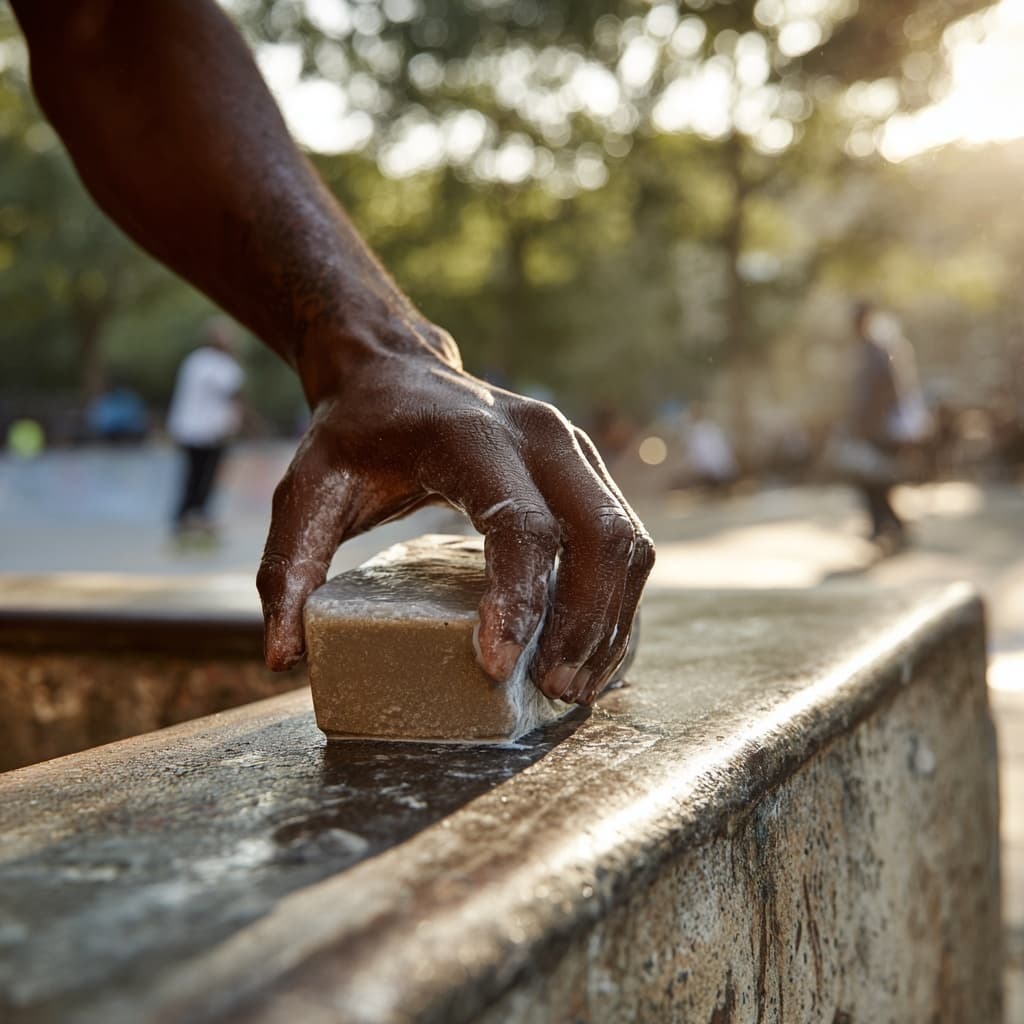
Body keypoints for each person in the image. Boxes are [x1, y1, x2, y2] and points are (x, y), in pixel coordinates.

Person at [8, 0, 653, 707]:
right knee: (195, 469)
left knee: (199, 471)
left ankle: (191, 519)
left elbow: (106, 28)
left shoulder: (210, 365)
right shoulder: (208, 367)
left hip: (211, 429)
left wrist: (373, 351)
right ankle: (188, 518)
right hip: (201, 432)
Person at [846, 301, 928, 549]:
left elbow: (887, 390)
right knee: (873, 480)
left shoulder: (877, 351)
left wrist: (872, 421)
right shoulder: (866, 350)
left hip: (880, 428)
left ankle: (888, 526)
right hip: (873, 427)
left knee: (875, 479)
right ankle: (886, 526)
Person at [166, 319, 244, 538]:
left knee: (192, 475)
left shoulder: (193, 361)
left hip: (187, 429)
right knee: (205, 476)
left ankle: (186, 517)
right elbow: (234, 394)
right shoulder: (223, 365)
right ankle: (196, 516)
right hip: (210, 432)